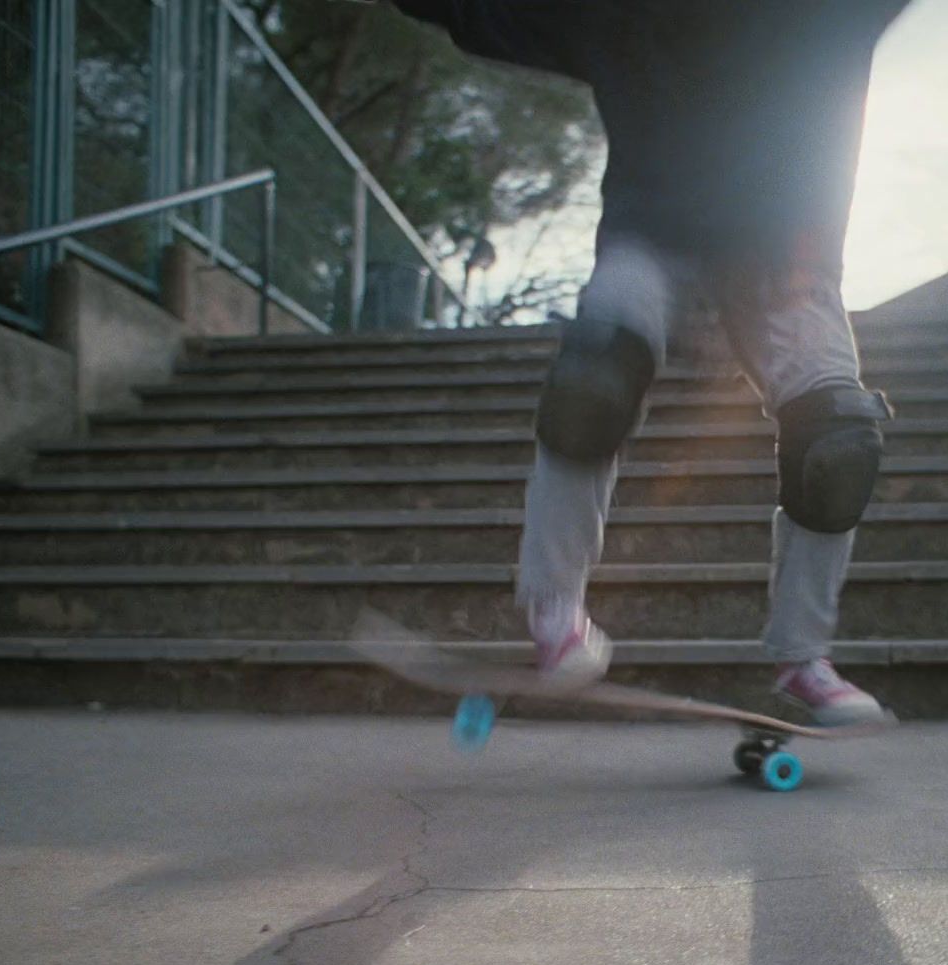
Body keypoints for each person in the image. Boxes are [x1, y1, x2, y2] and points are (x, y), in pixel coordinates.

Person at [387, 0, 910, 727]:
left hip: (790, 262)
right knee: (594, 378)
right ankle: (557, 614)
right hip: (652, 238)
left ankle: (804, 662)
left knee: (838, 442)